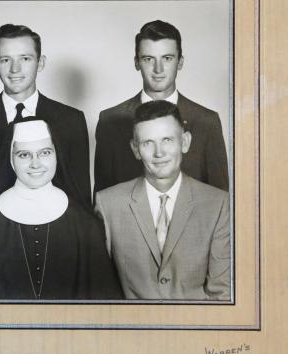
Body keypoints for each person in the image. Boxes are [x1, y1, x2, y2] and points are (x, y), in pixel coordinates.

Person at [0, 117, 122, 300]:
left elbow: (102, 300)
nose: (36, 164)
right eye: (24, 155)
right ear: (11, 159)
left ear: (56, 155)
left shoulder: (83, 223)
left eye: (45, 153)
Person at [95, 100, 231, 300]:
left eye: (167, 140)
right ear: (135, 149)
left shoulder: (218, 205)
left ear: (184, 142)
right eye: (148, 143)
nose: (159, 153)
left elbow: (222, 294)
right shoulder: (108, 204)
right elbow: (102, 291)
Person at [0, 23, 91, 205]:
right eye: (5, 60)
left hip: (53, 230)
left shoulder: (71, 120)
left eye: (25, 58)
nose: (15, 69)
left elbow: (81, 195)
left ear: (41, 63)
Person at [94, 19, 228, 193]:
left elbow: (221, 199)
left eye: (167, 58)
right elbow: (102, 197)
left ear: (180, 62)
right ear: (136, 63)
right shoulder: (109, 121)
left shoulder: (207, 121)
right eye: (149, 59)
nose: (158, 69)